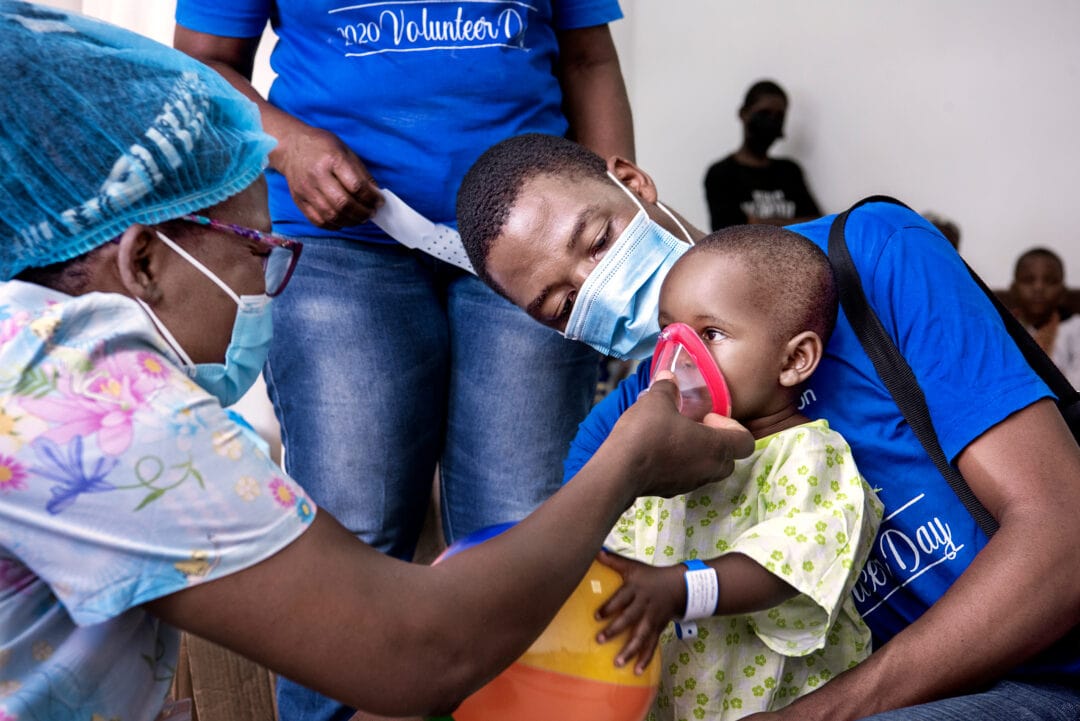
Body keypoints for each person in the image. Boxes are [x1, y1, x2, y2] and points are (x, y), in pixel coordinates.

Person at [0, 9, 754, 720]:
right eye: (263, 249)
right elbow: (420, 646)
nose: (269, 280)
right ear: (143, 261)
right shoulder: (102, 413)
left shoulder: (29, 351)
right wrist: (628, 462)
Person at [457, 133, 1080, 721]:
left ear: (633, 182)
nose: (598, 289)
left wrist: (819, 714)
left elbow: (1063, 537)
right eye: (564, 305)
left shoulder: (868, 260)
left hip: (1049, 672)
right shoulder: (617, 437)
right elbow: (597, 630)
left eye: (596, 242)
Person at [172, 4, 632, 715]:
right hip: (339, 246)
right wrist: (289, 145)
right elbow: (203, 58)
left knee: (523, 532)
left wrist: (610, 226)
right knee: (352, 529)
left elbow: (588, 59)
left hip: (534, 246)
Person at [593, 227, 882, 720]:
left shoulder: (810, 455)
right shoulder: (668, 460)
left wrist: (680, 588)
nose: (678, 359)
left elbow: (786, 569)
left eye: (710, 334)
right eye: (669, 334)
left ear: (794, 359)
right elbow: (618, 558)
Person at [704, 80, 822, 231]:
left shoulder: (789, 171)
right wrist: (792, 224)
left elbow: (817, 224)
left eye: (779, 116)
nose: (771, 121)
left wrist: (757, 221)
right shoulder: (721, 174)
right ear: (743, 113)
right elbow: (729, 232)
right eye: (764, 113)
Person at [1010, 247, 1080, 388]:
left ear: (1063, 292)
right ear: (1014, 289)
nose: (1039, 288)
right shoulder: (1001, 328)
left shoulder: (1075, 329)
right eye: (1028, 280)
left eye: (1050, 281)